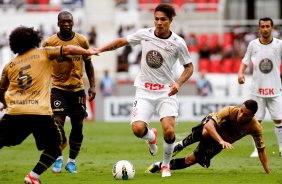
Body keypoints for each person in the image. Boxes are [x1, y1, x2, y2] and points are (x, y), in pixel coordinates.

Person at [94, 3, 193, 177]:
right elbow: (121, 42)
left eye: (163, 19)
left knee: (169, 131)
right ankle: (151, 137)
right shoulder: (145, 34)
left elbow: (189, 67)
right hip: (144, 90)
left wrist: (178, 83)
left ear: (170, 21)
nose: (159, 22)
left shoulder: (178, 43)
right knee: (138, 129)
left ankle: (165, 166)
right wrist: (99, 49)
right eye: (156, 19)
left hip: (166, 92)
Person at [0, 26, 96, 184]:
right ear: (34, 39)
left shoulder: (10, 65)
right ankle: (33, 176)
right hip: (39, 113)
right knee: (58, 145)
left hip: (15, 112)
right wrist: (88, 51)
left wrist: (5, 103)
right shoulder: (43, 53)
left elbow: (1, 90)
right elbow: (70, 48)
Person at [145, 100, 271, 174]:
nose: (240, 115)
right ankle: (182, 144)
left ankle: (160, 165)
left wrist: (267, 172)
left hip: (219, 142)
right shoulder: (230, 111)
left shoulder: (255, 127)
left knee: (191, 160)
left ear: (252, 116)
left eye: (245, 114)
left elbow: (261, 149)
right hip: (212, 129)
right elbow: (210, 125)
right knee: (206, 131)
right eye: (241, 110)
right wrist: (221, 140)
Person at [41, 11, 96, 174]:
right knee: (57, 123)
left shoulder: (81, 40)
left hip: (77, 89)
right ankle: (58, 157)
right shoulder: (49, 42)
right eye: (63, 22)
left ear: (73, 23)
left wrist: (92, 85)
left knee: (78, 126)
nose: (66, 24)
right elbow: (41, 65)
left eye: (69, 21)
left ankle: (71, 161)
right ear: (58, 23)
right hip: (58, 89)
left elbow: (89, 64)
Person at [238, 17, 282, 158]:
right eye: (262, 26)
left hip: (275, 89)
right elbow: (245, 61)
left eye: (267, 26)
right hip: (257, 91)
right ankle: (257, 149)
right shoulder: (253, 44)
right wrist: (240, 73)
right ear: (259, 28)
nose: (265, 29)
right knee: (255, 121)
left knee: (279, 120)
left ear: (272, 27)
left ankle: (281, 148)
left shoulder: (279, 45)